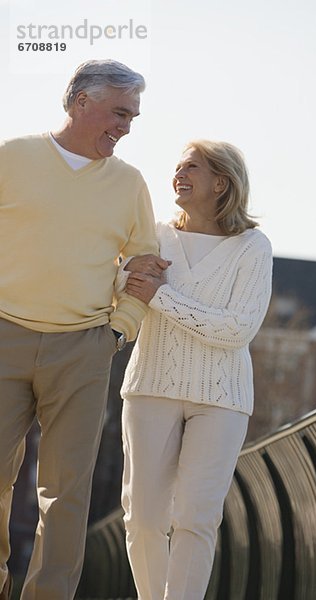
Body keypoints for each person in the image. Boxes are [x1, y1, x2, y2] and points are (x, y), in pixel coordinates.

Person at [0, 59, 167, 600]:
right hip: (4, 337)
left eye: (132, 117)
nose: (125, 126)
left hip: (83, 349)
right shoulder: (13, 157)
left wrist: (119, 331)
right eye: (119, 112)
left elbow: (145, 262)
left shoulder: (129, 183)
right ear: (79, 103)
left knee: (66, 493)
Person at [118, 139, 273, 599]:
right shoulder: (155, 235)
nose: (178, 174)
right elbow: (122, 282)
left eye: (192, 167)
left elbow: (237, 330)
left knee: (196, 517)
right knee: (142, 516)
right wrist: (132, 280)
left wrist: (160, 295)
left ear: (221, 182)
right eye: (178, 166)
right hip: (151, 387)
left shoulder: (252, 247)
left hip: (222, 399)